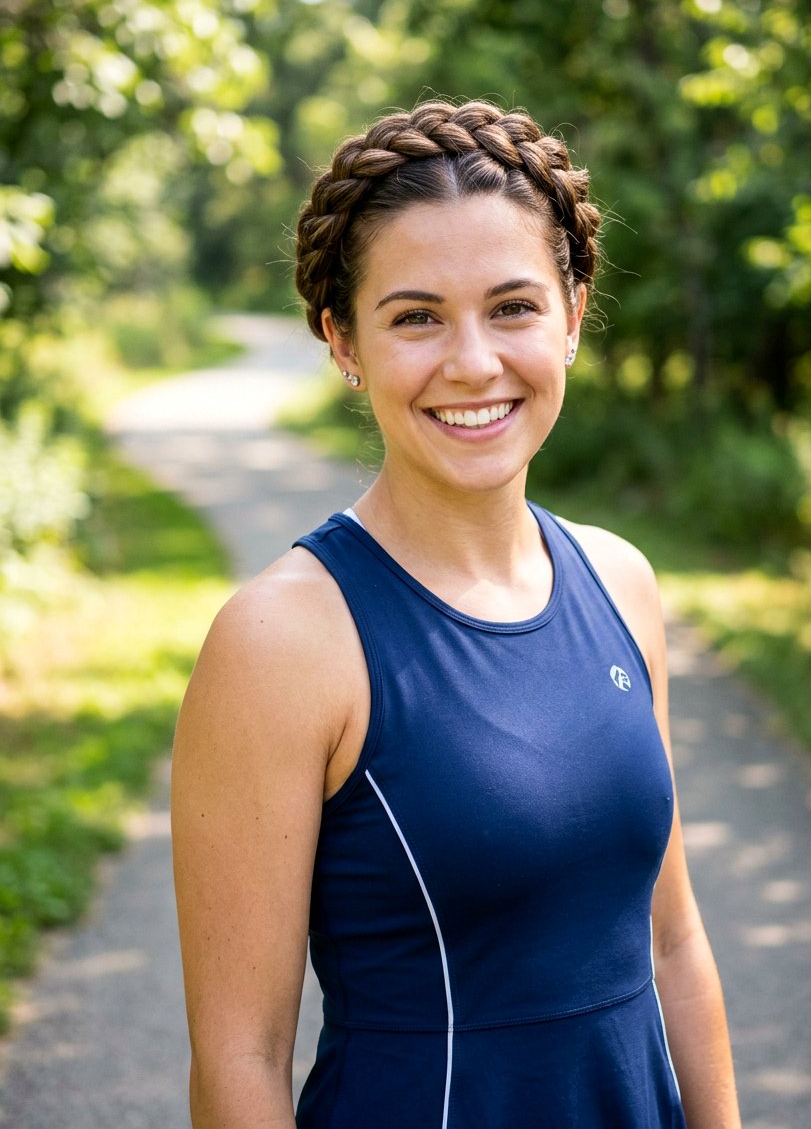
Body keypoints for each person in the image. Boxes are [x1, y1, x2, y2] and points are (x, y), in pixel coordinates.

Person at [171, 99, 741, 1128]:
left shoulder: (620, 583)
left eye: (512, 307)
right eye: (416, 316)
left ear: (572, 313)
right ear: (341, 340)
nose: (472, 362)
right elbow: (239, 1062)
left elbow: (671, 945)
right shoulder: (282, 643)